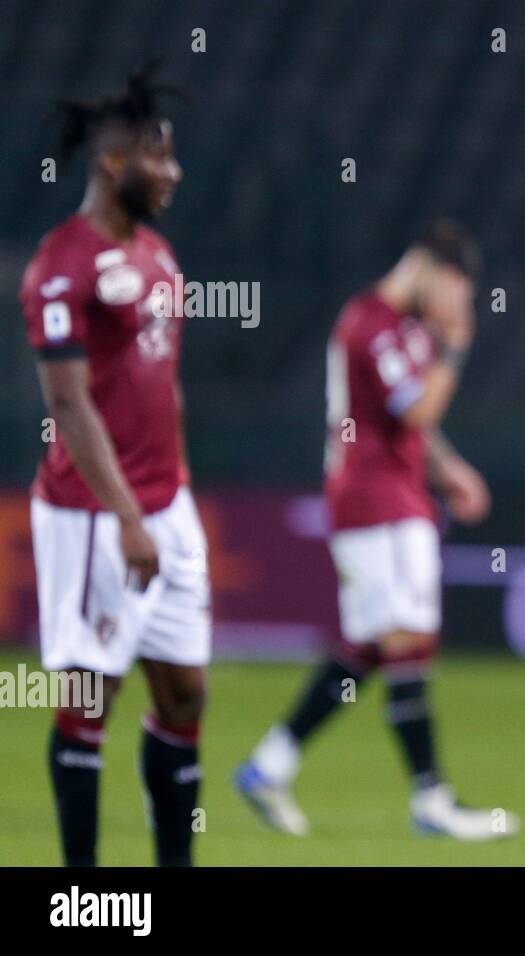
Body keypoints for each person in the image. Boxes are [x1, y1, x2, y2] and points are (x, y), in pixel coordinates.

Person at [235, 221, 520, 841]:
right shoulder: (372, 323)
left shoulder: (398, 329)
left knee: (372, 643)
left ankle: (268, 765)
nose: (458, 307)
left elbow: (410, 425)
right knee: (408, 637)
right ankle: (431, 798)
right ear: (429, 272)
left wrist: (448, 470)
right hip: (375, 499)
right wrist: (457, 345)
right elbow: (417, 408)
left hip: (394, 492)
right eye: (458, 291)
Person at [21, 64, 208, 866]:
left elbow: (163, 388)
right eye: (157, 158)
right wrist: (129, 516)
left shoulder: (162, 256)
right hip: (95, 515)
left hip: (169, 506)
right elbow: (68, 404)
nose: (173, 172)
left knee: (185, 694)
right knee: (89, 697)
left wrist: (175, 502)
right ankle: (85, 898)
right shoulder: (61, 266)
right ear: (111, 164)